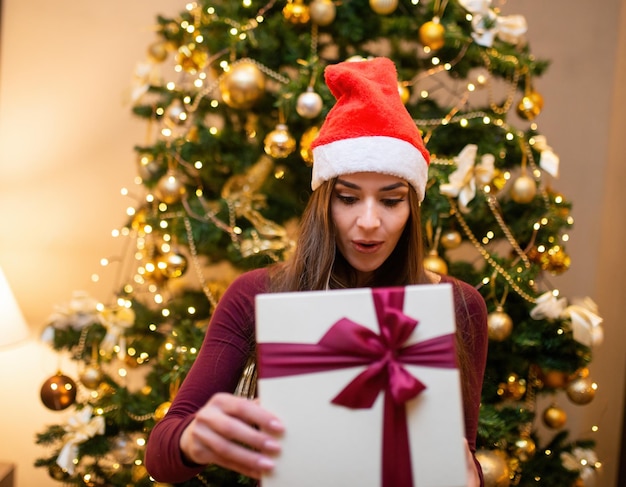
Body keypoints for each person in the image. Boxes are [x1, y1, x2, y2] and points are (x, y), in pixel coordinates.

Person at [145, 56, 489, 486]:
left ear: (412, 207)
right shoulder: (256, 294)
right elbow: (161, 456)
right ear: (323, 203)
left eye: (390, 200)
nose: (368, 221)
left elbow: (462, 451)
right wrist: (193, 439)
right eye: (347, 198)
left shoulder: (458, 305)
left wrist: (470, 475)